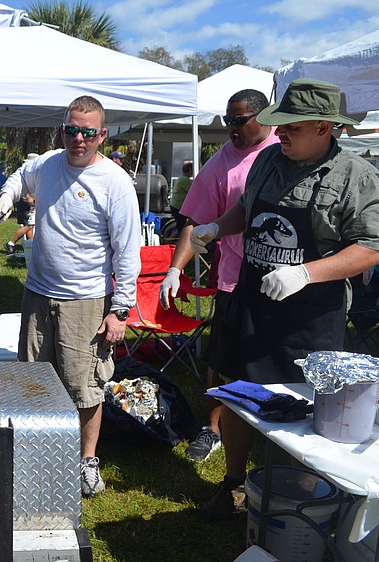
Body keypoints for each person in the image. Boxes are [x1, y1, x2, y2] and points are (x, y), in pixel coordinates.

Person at [188, 78, 379, 521]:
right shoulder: (267, 162)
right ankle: (235, 484)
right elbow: (247, 209)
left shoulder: (356, 176)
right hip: (251, 302)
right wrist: (218, 228)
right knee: (239, 396)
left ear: (323, 127)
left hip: (308, 317)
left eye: (291, 127)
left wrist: (305, 273)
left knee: (302, 412)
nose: (280, 134)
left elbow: (371, 248)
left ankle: (298, 501)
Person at [0, 96, 141, 498]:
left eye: (88, 132)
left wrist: (121, 310)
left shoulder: (115, 182)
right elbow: (23, 174)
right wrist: (8, 196)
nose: (79, 138)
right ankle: (37, 453)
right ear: (63, 129)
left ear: (102, 135)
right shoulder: (48, 163)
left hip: (87, 300)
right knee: (32, 380)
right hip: (38, 293)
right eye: (72, 129)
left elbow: (128, 252)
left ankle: (86, 461)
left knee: (84, 387)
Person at [158, 89, 278, 465]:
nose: (231, 129)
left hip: (284, 283)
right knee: (222, 361)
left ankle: (269, 431)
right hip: (233, 280)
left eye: (239, 120)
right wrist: (175, 270)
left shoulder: (283, 151)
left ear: (264, 118)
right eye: (227, 121)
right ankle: (212, 428)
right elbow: (194, 222)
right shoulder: (220, 163)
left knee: (272, 362)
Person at [169, 161, 194, 233]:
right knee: (183, 226)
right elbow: (193, 190)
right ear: (189, 170)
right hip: (178, 207)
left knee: (182, 225)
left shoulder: (181, 178)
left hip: (176, 206)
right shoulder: (184, 180)